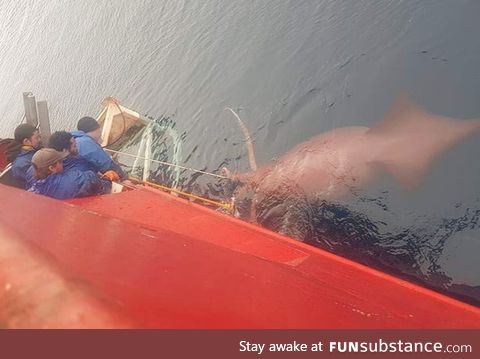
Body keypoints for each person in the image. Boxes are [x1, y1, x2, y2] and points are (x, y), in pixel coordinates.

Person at [28, 148, 112, 200]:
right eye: (60, 162)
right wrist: (107, 179)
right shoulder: (71, 181)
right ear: (52, 168)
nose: (63, 164)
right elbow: (91, 179)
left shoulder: (33, 190)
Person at [6, 124, 42, 189]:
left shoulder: (32, 152)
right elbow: (37, 185)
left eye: (40, 137)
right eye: (37, 138)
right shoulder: (22, 164)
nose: (40, 140)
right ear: (26, 141)